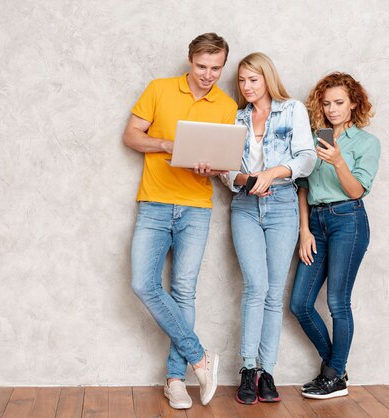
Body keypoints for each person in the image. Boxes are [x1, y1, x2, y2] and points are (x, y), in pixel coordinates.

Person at [123, 33, 238, 409]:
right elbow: (131, 136)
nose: (208, 75)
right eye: (202, 67)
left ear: (223, 66)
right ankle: (200, 357)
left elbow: (226, 162)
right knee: (143, 283)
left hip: (196, 206)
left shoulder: (225, 104)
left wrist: (209, 167)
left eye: (216, 69)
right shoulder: (159, 89)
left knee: (184, 291)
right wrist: (165, 144)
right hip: (155, 203)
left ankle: (176, 380)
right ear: (190, 61)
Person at [220, 52, 316, 405]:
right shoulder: (235, 117)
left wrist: (271, 174)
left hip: (283, 206)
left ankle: (267, 372)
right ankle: (247, 369)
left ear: (267, 79)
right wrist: (246, 179)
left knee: (274, 293)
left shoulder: (292, 110)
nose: (246, 87)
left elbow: (306, 157)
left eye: (253, 80)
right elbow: (226, 170)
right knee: (255, 287)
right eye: (242, 81)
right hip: (245, 206)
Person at [290, 72, 381, 400]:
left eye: (339, 102)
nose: (332, 109)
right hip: (316, 222)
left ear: (354, 103)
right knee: (299, 303)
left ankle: (332, 374)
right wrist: (304, 230)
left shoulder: (367, 143)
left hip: (348, 221)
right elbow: (301, 186)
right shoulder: (313, 138)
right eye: (326, 103)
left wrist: (339, 160)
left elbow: (357, 190)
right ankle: (335, 370)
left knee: (337, 302)